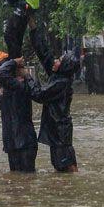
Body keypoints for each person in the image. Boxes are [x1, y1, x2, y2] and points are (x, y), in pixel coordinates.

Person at [25, 19, 80, 172]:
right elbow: (44, 52)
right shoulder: (58, 75)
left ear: (64, 66)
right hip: (57, 132)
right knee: (60, 168)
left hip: (60, 134)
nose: (55, 60)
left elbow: (38, 95)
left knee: (66, 168)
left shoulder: (60, 83)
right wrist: (33, 26)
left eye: (59, 60)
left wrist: (28, 77)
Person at [0, 58, 38, 172]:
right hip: (12, 142)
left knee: (26, 178)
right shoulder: (9, 91)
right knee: (16, 180)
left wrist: (14, 63)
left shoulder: (22, 86)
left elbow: (0, 74)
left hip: (24, 142)